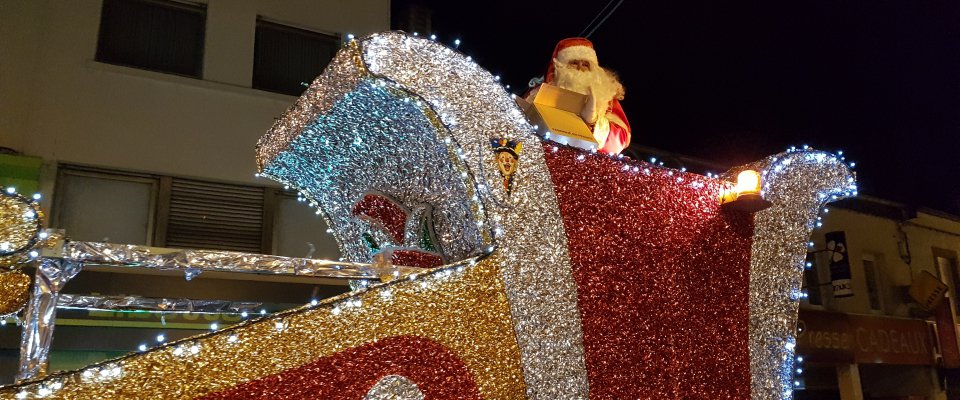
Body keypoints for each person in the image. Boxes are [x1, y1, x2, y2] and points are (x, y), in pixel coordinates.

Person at [526, 37, 631, 154]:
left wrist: (593, 123)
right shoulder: (538, 93)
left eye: (585, 64)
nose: (580, 68)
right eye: (574, 63)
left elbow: (622, 139)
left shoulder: (607, 98)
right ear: (561, 67)